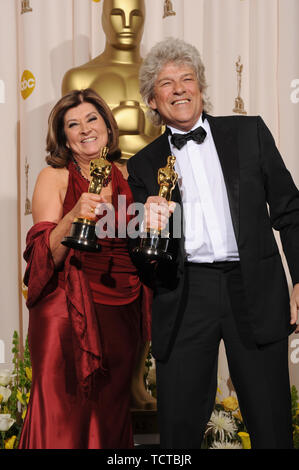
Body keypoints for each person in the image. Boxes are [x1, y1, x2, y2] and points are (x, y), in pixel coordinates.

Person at [127, 37, 299, 449]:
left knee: (272, 424)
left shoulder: (250, 132)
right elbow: (139, 254)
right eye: (167, 83)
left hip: (252, 285)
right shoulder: (142, 164)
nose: (180, 88)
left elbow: (290, 210)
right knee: (179, 433)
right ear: (152, 100)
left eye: (188, 79)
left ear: (202, 88)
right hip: (185, 294)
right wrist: (147, 228)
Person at [18, 88, 151, 449]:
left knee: (108, 415)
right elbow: (42, 252)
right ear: (64, 138)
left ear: (107, 125)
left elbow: (140, 243)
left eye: (92, 119)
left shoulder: (132, 175)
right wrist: (74, 214)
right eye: (73, 125)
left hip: (122, 310)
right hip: (66, 309)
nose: (85, 129)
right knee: (63, 413)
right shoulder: (55, 177)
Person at [62, 0, 160, 410]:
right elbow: (75, 127)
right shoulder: (82, 75)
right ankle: (99, 369)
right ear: (102, 17)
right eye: (116, 13)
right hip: (98, 188)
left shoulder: (157, 75)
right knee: (100, 280)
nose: (126, 22)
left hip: (151, 187)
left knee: (151, 282)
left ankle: (136, 378)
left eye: (135, 13)